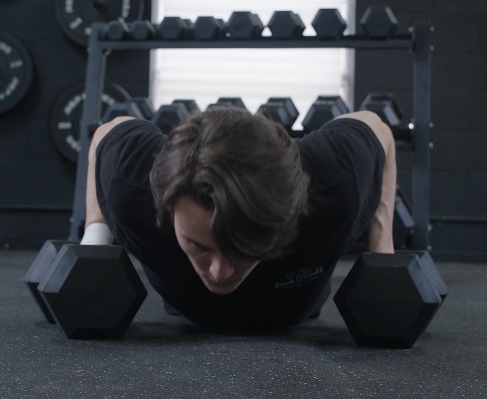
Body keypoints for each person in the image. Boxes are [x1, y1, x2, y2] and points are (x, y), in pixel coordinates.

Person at [81, 105, 396, 329]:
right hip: (185, 315)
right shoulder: (131, 183)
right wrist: (94, 244)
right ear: (168, 206)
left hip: (294, 315)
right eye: (199, 246)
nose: (219, 273)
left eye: (243, 248)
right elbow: (104, 135)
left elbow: (379, 129)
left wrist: (382, 255)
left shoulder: (335, 185)